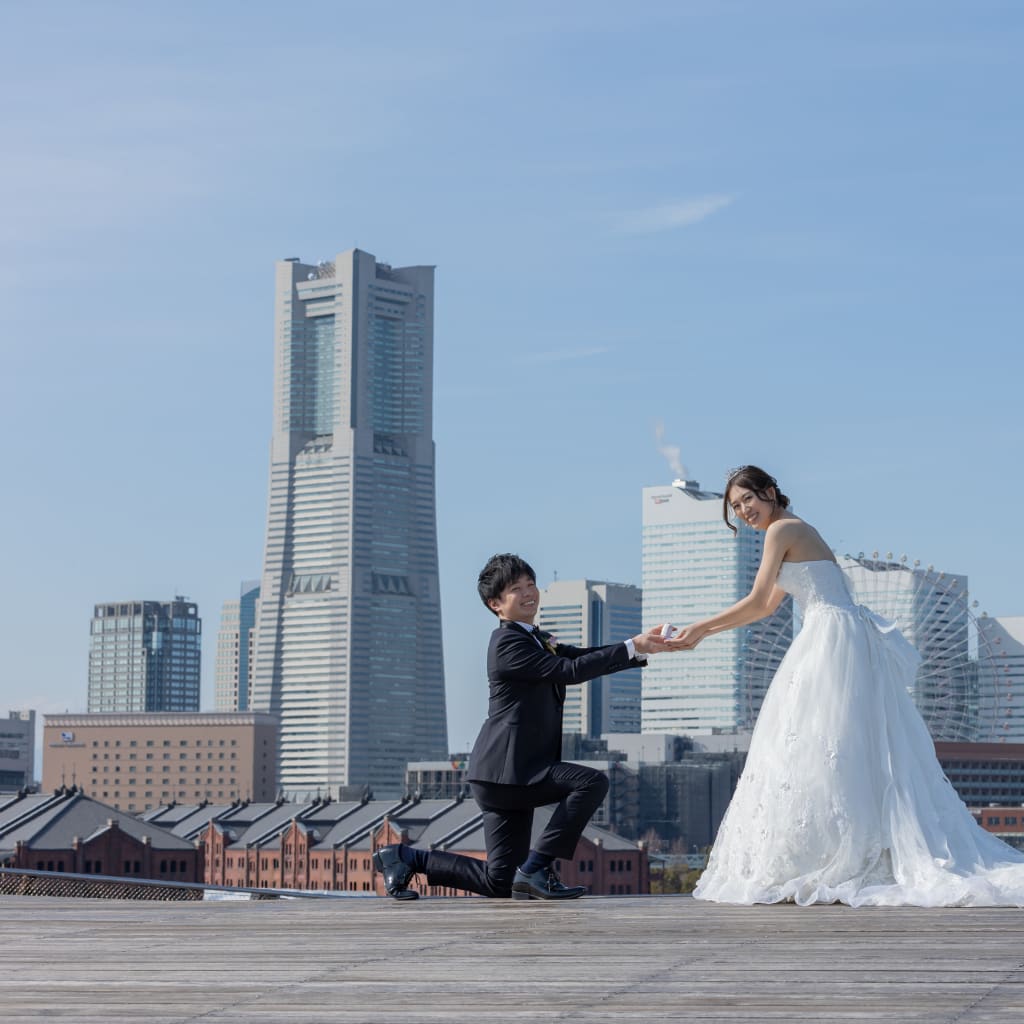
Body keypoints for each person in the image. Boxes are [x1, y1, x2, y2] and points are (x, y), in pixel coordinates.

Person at [665, 465, 1024, 907]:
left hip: (829, 637)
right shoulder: (792, 530)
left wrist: (700, 629)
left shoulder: (782, 530)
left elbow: (758, 602)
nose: (743, 512)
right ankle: (842, 845)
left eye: (748, 500)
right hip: (837, 635)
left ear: (771, 492)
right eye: (736, 507)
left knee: (815, 742)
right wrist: (704, 632)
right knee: (832, 744)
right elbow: (767, 607)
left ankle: (837, 850)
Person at [374, 552, 671, 900]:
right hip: (510, 771)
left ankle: (404, 857)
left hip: (504, 775)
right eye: (517, 589)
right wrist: (631, 646)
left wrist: (640, 646)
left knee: (498, 882)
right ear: (496, 604)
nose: (529, 592)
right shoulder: (507, 643)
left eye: (531, 584)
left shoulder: (533, 638)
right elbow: (569, 672)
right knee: (591, 783)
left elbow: (575, 657)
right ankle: (538, 867)